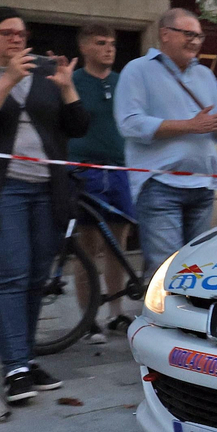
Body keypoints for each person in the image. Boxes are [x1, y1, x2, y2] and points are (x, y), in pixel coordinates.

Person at [0, 7, 89, 403]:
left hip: (48, 192)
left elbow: (78, 126)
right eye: (6, 32)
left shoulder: (43, 77)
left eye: (21, 33)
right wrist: (9, 78)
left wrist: (66, 87)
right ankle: (15, 370)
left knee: (34, 279)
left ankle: (25, 360)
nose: (16, 38)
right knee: (8, 275)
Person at [115, 8, 217, 279]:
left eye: (199, 36)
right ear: (165, 34)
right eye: (188, 34)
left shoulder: (204, 75)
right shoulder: (137, 70)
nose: (195, 41)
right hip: (160, 185)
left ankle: (190, 321)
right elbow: (130, 123)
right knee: (166, 271)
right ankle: (160, 321)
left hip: (203, 185)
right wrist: (190, 125)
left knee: (197, 270)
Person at [66, 23, 135, 343]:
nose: (109, 48)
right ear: (85, 48)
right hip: (86, 172)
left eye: (112, 43)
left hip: (120, 171)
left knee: (116, 246)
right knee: (87, 246)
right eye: (101, 43)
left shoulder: (124, 82)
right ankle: (88, 317)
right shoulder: (73, 81)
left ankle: (116, 312)